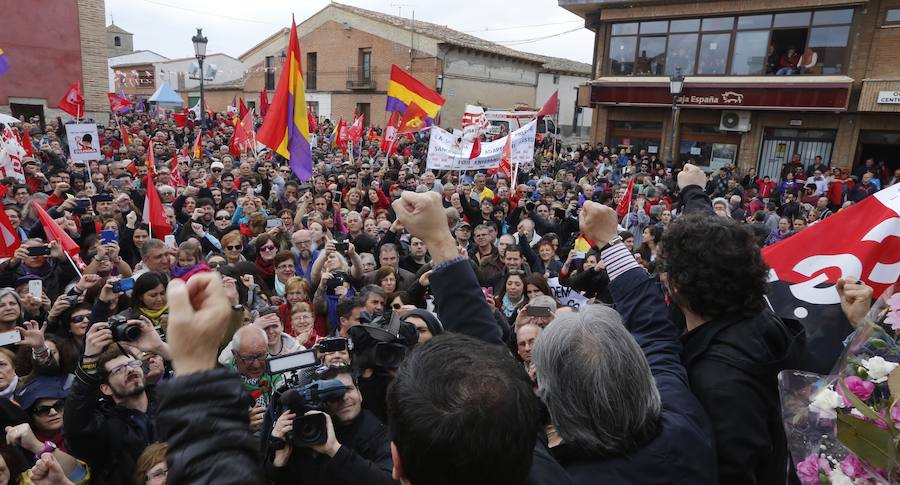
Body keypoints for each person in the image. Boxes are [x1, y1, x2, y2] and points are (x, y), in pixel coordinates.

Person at [661, 163, 806, 485]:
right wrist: (693, 193)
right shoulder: (758, 317)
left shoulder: (722, 383)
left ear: (679, 287)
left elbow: (732, 472)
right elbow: (713, 249)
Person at [63, 317, 171, 483]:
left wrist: (160, 347)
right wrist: (89, 361)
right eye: (118, 369)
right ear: (105, 388)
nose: (129, 370)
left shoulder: (170, 402)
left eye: (133, 364)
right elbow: (76, 428)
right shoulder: (105, 426)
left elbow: (210, 388)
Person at [266, 365, 397, 485]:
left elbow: (390, 481)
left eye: (348, 389)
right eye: (334, 395)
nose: (344, 398)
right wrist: (280, 457)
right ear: (324, 402)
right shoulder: (309, 431)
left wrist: (335, 450)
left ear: (360, 394)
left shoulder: (378, 432)